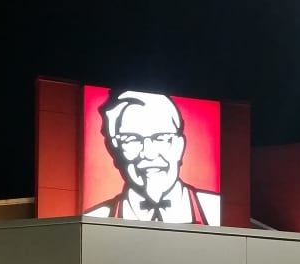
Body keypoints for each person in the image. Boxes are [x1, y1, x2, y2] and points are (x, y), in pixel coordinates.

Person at [83, 90, 220, 225]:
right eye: (132, 140)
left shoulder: (212, 210)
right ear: (115, 150)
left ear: (180, 146)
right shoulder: (94, 220)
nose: (149, 154)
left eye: (161, 138)